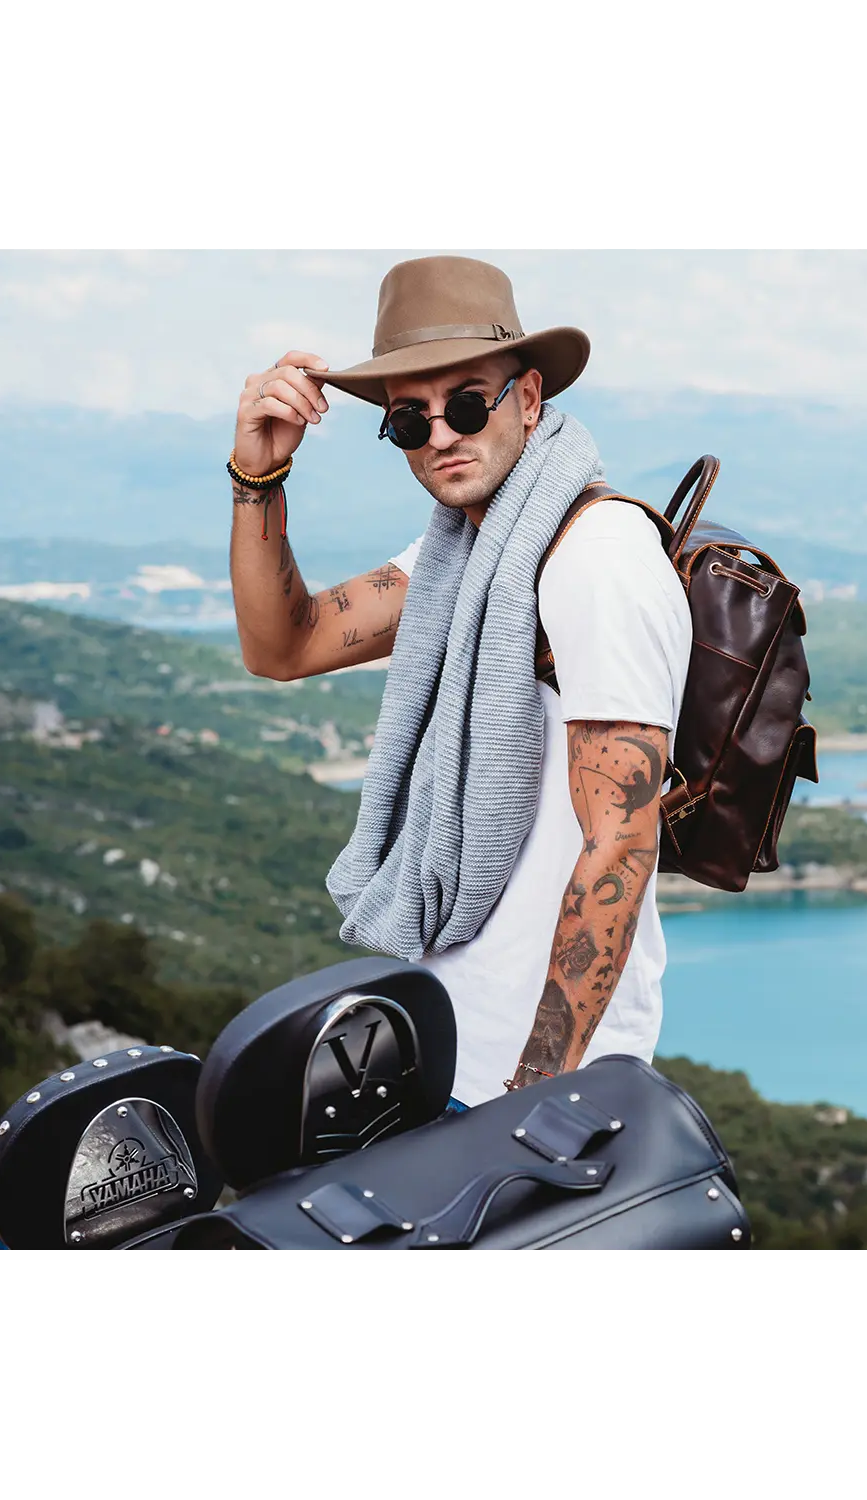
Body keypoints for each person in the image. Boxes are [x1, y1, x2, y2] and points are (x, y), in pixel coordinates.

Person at [227, 256, 691, 1106]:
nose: (441, 435)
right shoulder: (459, 560)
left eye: (468, 403)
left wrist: (537, 1089)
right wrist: (258, 475)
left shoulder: (598, 558)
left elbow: (619, 839)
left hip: (541, 1081)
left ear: (529, 397)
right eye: (410, 420)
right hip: (446, 1050)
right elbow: (282, 647)